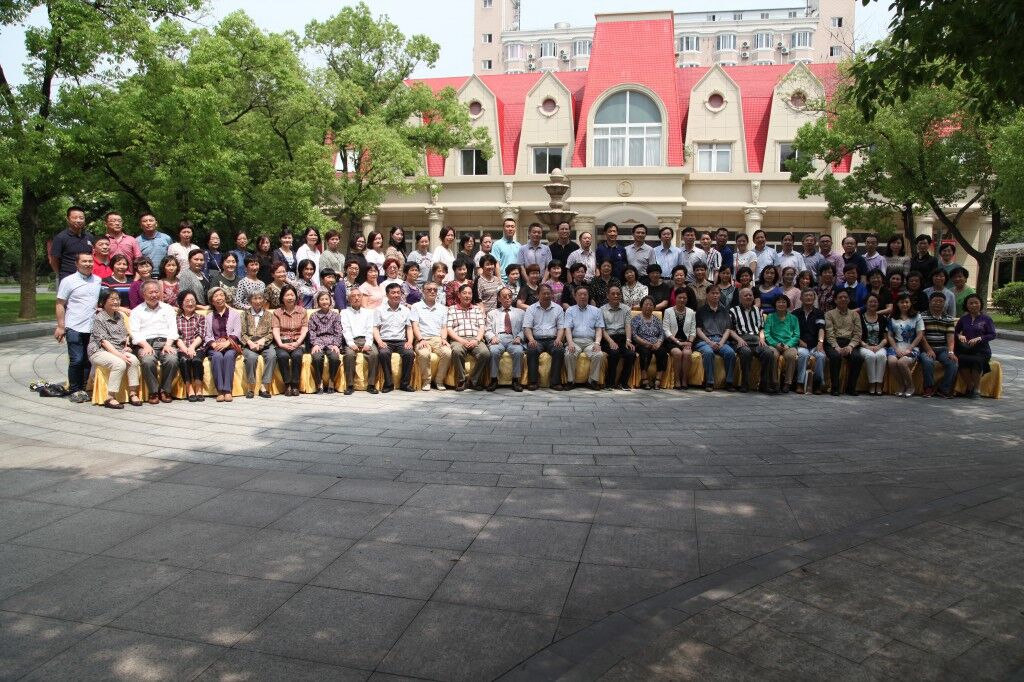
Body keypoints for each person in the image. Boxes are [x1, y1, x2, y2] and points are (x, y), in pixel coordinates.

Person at [55, 252, 102, 402]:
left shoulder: (98, 280)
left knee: (88, 360)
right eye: (84, 261)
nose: (88, 264)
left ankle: (83, 388)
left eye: (90, 261)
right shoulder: (68, 281)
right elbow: (60, 304)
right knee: (77, 359)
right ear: (76, 264)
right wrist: (61, 326)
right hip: (74, 325)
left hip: (92, 327)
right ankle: (74, 390)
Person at [89, 289, 143, 408]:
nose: (115, 302)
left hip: (118, 349)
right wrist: (120, 355)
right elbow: (103, 342)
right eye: (112, 299)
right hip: (99, 351)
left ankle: (133, 393)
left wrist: (127, 347)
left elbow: (125, 336)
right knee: (119, 363)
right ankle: (110, 397)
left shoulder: (119, 316)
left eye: (117, 299)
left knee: (133, 360)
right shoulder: (99, 318)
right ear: (103, 302)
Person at [130, 279, 180, 404]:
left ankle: (165, 390)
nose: (154, 295)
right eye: (150, 292)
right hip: (145, 343)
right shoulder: (136, 311)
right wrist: (145, 346)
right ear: (143, 294)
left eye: (156, 292)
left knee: (172, 359)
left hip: (165, 342)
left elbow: (173, 329)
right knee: (147, 360)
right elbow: (134, 332)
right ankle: (153, 392)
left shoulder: (168, 309)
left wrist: (168, 344)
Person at [445, 283, 490, 390]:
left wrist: (477, 340)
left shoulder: (477, 309)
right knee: (457, 351)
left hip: (475, 339)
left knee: (485, 353)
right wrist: (461, 340)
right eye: (464, 293)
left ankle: (473, 381)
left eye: (470, 293)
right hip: (458, 339)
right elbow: (449, 328)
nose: (467, 296)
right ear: (459, 295)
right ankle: (462, 380)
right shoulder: (452, 309)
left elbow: (482, 327)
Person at [560, 285, 606, 390]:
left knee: (598, 354)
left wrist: (597, 343)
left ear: (588, 296)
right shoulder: (570, 310)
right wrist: (570, 343)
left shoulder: (596, 310)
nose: (582, 296)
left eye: (585, 294)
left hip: (590, 342)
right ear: (575, 297)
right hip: (575, 341)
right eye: (580, 294)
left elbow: (599, 329)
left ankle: (592, 381)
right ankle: (571, 381)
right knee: (569, 354)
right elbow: (567, 329)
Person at [523, 283, 566, 390]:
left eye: (548, 293)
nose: (547, 296)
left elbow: (561, 327)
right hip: (537, 339)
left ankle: (555, 382)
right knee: (532, 349)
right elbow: (527, 327)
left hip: (552, 339)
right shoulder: (531, 309)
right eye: (544, 293)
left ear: (552, 294)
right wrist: (531, 339)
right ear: (538, 295)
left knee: (559, 349)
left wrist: (558, 339)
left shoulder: (558, 308)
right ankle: (533, 382)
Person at [730, 287, 773, 393]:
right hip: (742, 339)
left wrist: (762, 339)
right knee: (746, 352)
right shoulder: (733, 311)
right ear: (740, 298)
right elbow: (730, 330)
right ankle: (745, 384)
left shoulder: (758, 311)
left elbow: (761, 328)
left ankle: (764, 384)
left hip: (757, 340)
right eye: (746, 295)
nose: (748, 297)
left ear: (754, 297)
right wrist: (739, 340)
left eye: (750, 295)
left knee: (768, 352)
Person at [374, 283, 415, 392]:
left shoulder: (406, 310)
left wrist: (410, 341)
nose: (396, 295)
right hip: (385, 340)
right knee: (383, 353)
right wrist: (379, 341)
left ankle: (405, 384)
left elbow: (409, 328)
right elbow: (375, 328)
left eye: (398, 292)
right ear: (387, 295)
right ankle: (388, 384)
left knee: (409, 353)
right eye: (393, 293)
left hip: (401, 341)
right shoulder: (379, 310)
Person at [411, 282, 452, 391]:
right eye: (429, 289)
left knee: (447, 352)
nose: (432, 291)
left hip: (438, 339)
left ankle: (439, 380)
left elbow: (444, 327)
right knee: (424, 354)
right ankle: (426, 380)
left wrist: (444, 339)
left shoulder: (442, 308)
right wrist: (420, 339)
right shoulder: (416, 307)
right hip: (422, 338)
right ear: (423, 291)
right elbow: (415, 326)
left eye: (435, 289)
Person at [695, 286, 737, 392]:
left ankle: (729, 382)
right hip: (705, 341)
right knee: (708, 352)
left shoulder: (724, 310)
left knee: (730, 353)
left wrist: (722, 342)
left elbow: (728, 329)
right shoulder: (701, 311)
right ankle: (709, 382)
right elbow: (698, 330)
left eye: (717, 293)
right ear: (707, 295)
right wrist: (709, 342)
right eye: (712, 293)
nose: (715, 295)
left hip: (720, 340)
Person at [954, 294, 995, 399]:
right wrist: (959, 335)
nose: (973, 305)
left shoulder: (986, 319)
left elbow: (992, 334)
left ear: (980, 304)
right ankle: (970, 386)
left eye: (976, 303)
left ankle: (976, 389)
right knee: (961, 359)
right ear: (966, 305)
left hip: (982, 350)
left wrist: (980, 338)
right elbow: (954, 332)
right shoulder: (963, 319)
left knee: (977, 361)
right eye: (971, 303)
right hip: (966, 349)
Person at [825, 288, 864, 396]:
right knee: (835, 356)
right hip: (833, 342)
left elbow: (858, 333)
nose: (843, 299)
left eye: (845, 297)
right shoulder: (829, 314)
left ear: (849, 300)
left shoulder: (855, 314)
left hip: (849, 342)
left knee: (858, 357)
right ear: (835, 300)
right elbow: (829, 333)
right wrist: (836, 347)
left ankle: (851, 388)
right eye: (840, 297)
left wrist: (851, 346)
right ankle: (835, 388)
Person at [920, 291, 959, 398]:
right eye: (935, 301)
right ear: (930, 302)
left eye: (941, 301)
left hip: (942, 349)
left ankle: (944, 389)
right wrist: (928, 349)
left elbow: (950, 337)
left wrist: (951, 352)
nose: (938, 303)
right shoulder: (922, 316)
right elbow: (921, 336)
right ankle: (928, 387)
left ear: (944, 303)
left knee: (953, 362)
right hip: (926, 348)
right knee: (927, 361)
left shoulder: (948, 318)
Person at [341, 288, 380, 394]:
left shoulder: (368, 312)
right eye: (353, 296)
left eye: (359, 295)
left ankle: (371, 385)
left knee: (374, 354)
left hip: (365, 339)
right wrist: (350, 343)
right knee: (349, 355)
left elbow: (370, 329)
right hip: (352, 339)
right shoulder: (344, 312)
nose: (357, 298)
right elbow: (346, 329)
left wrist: (368, 343)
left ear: (362, 297)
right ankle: (350, 385)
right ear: (349, 299)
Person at [205, 287, 241, 402]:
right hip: (215, 346)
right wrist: (214, 345)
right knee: (217, 356)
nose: (219, 298)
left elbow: (237, 331)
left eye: (221, 295)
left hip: (230, 345)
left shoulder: (235, 314)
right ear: (212, 301)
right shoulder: (209, 317)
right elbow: (207, 335)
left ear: (225, 297)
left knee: (229, 356)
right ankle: (220, 391)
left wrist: (227, 343)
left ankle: (227, 390)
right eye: (216, 296)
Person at [486, 287, 525, 391]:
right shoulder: (492, 313)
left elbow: (524, 329)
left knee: (518, 351)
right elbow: (487, 330)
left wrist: (519, 337)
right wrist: (492, 337)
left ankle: (515, 380)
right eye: (504, 296)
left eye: (510, 296)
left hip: (513, 338)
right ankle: (493, 380)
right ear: (499, 298)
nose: (508, 298)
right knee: (494, 351)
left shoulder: (520, 313)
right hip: (498, 338)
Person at [272, 284, 307, 396]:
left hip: (298, 342)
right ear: (282, 298)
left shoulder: (302, 311)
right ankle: (287, 384)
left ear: (296, 297)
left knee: (297, 355)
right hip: (282, 343)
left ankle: (295, 385)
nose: (290, 297)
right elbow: (276, 329)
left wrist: (297, 343)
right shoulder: (277, 312)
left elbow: (304, 329)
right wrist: (281, 344)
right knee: (283, 356)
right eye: (287, 295)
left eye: (292, 295)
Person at [887, 292, 924, 397]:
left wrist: (909, 349)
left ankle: (911, 386)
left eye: (907, 302)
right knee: (892, 362)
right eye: (902, 302)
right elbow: (890, 336)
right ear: (897, 304)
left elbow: (920, 335)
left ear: (910, 303)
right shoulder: (892, 317)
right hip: (896, 346)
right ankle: (901, 385)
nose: (904, 304)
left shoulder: (917, 316)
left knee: (902, 363)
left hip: (912, 347)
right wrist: (896, 349)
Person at [599, 285, 637, 390]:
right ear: (607, 296)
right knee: (614, 353)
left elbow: (628, 325)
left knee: (631, 354)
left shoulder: (626, 309)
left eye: (618, 294)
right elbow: (602, 329)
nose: (616, 296)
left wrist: (628, 340)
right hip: (608, 338)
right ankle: (610, 383)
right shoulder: (601, 310)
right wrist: (610, 341)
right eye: (613, 294)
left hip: (623, 338)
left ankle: (622, 383)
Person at [762, 294, 801, 393]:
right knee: (773, 355)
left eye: (783, 302)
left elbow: (796, 335)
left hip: (789, 345)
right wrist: (775, 344)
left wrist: (788, 345)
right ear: (775, 304)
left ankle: (787, 383)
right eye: (779, 302)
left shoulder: (793, 318)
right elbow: (767, 333)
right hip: (774, 344)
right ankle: (775, 382)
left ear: (787, 304)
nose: (781, 304)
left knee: (791, 356)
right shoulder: (770, 317)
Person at [240, 291, 276, 399]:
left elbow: (271, 332)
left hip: (265, 343)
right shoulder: (244, 314)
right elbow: (241, 333)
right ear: (250, 301)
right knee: (251, 358)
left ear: (264, 300)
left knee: (272, 356)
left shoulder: (269, 315)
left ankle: (264, 386)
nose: (258, 301)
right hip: (249, 343)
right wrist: (250, 343)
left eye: (260, 298)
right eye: (255, 298)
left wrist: (263, 340)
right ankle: (251, 387)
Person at [308, 290, 343, 394]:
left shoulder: (335, 315)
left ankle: (332, 381)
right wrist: (314, 344)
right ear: (318, 302)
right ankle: (319, 383)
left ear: (330, 301)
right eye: (322, 299)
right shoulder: (314, 315)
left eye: (326, 299)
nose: (324, 301)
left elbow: (338, 332)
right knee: (317, 358)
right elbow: (312, 331)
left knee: (334, 357)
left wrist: (336, 345)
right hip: (318, 342)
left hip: (332, 342)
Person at [175, 290, 207, 402]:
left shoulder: (200, 317)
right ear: (181, 303)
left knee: (197, 360)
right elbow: (176, 336)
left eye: (192, 301)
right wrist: (185, 349)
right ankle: (189, 389)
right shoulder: (176, 319)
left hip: (198, 347)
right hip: (182, 347)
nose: (190, 303)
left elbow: (201, 335)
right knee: (184, 360)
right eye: (187, 301)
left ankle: (199, 388)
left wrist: (192, 347)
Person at [794, 288, 827, 394]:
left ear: (814, 298)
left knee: (821, 356)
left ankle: (818, 384)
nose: (808, 297)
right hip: (800, 344)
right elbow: (791, 331)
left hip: (814, 345)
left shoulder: (819, 313)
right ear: (801, 298)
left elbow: (821, 328)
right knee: (803, 355)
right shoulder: (795, 313)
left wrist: (820, 342)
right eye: (806, 295)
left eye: (811, 296)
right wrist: (799, 341)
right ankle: (800, 383)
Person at [631, 296, 667, 389]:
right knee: (645, 353)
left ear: (654, 307)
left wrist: (658, 343)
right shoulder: (636, 319)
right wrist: (645, 343)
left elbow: (662, 333)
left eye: (651, 305)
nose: (648, 306)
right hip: (641, 344)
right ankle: (644, 378)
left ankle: (658, 379)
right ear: (641, 306)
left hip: (655, 344)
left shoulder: (657, 320)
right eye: (646, 304)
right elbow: (634, 335)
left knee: (662, 352)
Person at [663, 287, 697, 390]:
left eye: (684, 298)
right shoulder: (668, 311)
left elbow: (693, 330)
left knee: (687, 353)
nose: (682, 300)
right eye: (679, 297)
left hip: (687, 341)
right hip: (672, 341)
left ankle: (684, 380)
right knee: (677, 353)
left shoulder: (691, 312)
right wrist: (678, 342)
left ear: (687, 299)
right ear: (675, 298)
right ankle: (677, 380)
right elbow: (666, 330)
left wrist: (690, 342)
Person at [50, 206, 94, 282]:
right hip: (68, 277)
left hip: (87, 277)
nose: (78, 220)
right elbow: (54, 260)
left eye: (81, 218)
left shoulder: (89, 237)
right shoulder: (60, 238)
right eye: (75, 218)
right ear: (68, 219)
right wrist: (60, 274)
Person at [858, 293, 889, 396]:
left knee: (881, 356)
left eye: (875, 302)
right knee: (871, 356)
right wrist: (867, 346)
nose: (873, 303)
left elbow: (886, 338)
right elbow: (856, 336)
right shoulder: (859, 317)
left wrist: (879, 346)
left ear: (878, 304)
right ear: (866, 304)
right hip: (863, 346)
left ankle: (879, 384)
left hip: (879, 346)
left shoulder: (883, 318)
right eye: (870, 301)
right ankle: (871, 384)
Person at [104, 212, 142, 276]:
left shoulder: (131, 239)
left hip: (129, 276)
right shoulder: (103, 241)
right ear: (106, 224)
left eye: (119, 221)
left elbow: (139, 259)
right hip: (108, 275)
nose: (117, 223)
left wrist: (138, 275)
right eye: (113, 221)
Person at [492, 218, 522, 283]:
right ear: (503, 228)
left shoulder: (519, 246)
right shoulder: (497, 245)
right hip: (503, 282)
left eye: (512, 227)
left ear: (515, 229)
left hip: (517, 282)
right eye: (507, 226)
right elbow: (496, 264)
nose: (510, 229)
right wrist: (500, 281)